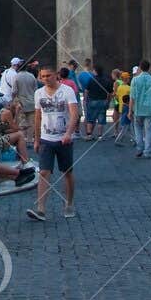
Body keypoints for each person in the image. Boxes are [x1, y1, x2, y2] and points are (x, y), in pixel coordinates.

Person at [26, 65, 79, 221]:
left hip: (64, 138)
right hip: (46, 139)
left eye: (48, 75)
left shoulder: (67, 91)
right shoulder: (38, 93)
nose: (46, 79)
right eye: (43, 76)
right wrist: (36, 139)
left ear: (56, 75)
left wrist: (69, 133)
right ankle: (41, 209)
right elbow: (37, 117)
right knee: (43, 172)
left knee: (67, 172)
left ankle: (69, 203)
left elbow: (74, 113)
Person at [129, 62, 151, 158]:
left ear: (140, 68)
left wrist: (130, 110)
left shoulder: (135, 80)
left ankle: (139, 148)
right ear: (149, 68)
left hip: (138, 108)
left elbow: (132, 97)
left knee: (137, 128)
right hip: (150, 108)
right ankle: (147, 151)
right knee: (149, 130)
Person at [82, 63, 110, 140]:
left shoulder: (91, 79)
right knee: (101, 119)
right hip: (103, 101)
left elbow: (86, 91)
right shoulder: (106, 80)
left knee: (90, 119)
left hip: (92, 100)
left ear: (95, 71)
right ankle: (100, 136)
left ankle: (89, 135)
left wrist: (85, 99)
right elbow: (109, 93)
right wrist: (108, 101)